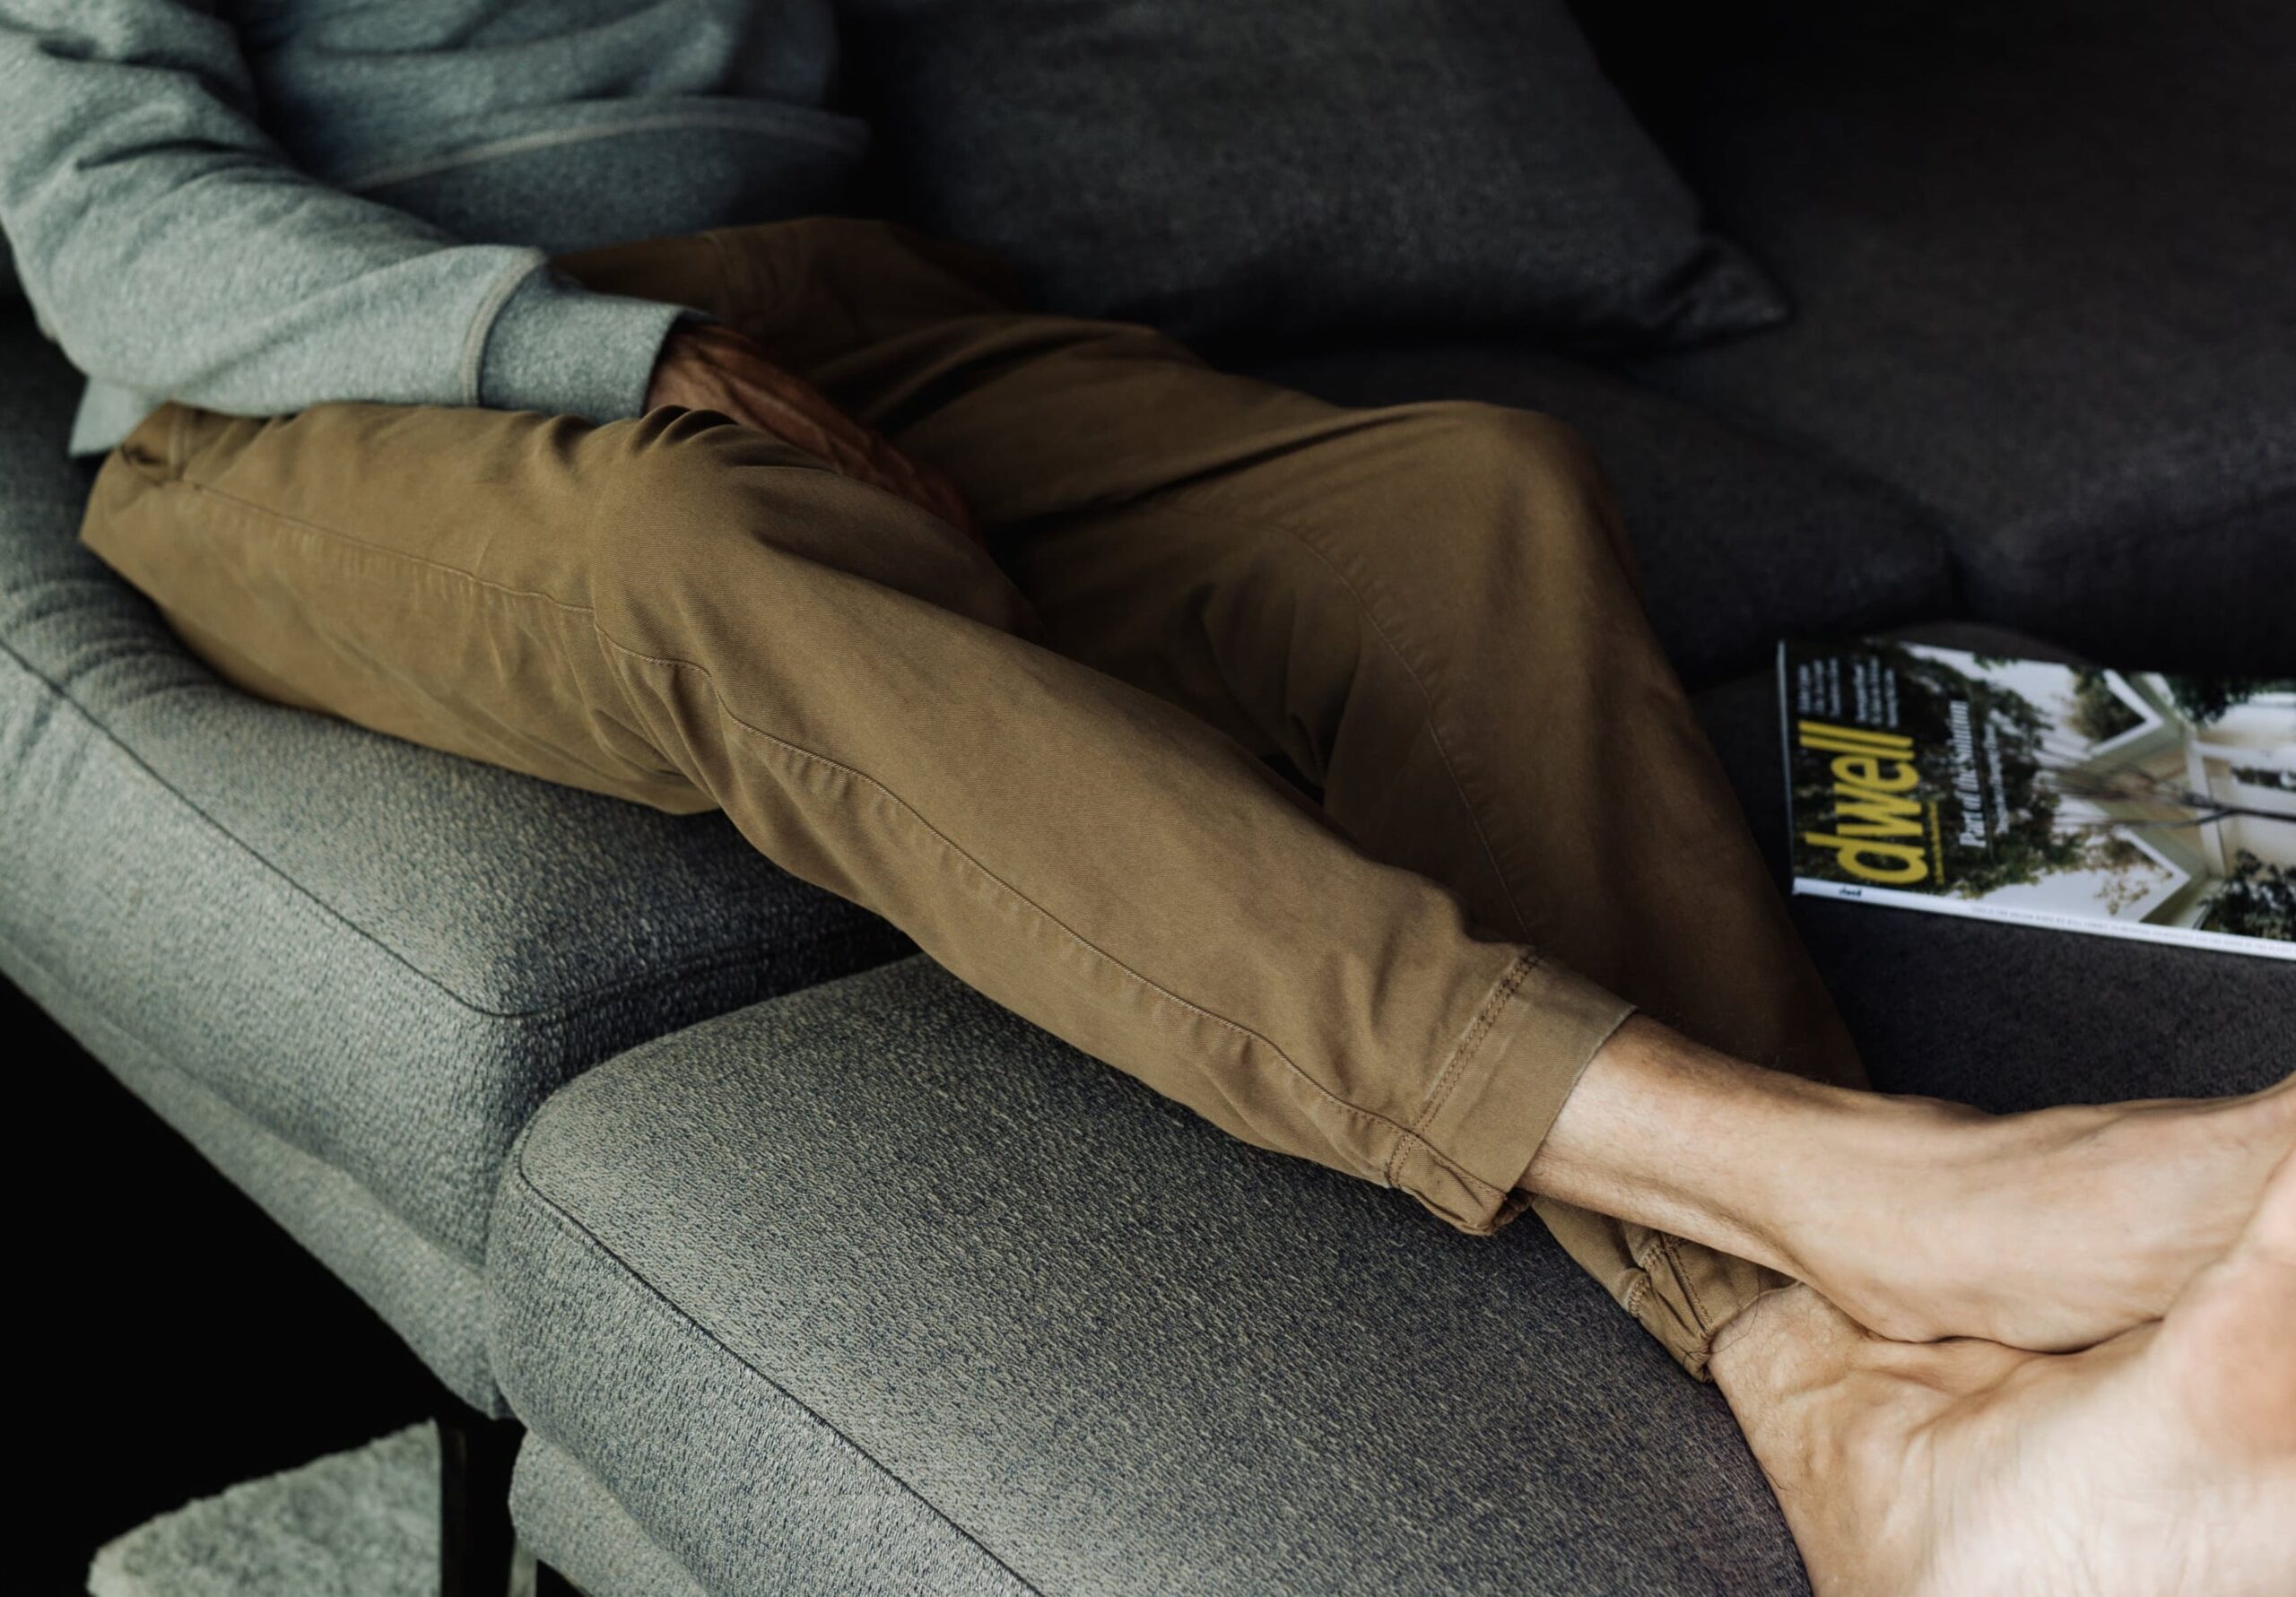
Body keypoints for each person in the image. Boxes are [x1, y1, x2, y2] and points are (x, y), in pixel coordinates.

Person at [4, 4, 2289, 1588]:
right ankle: (1858, 1186)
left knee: (1458, 500)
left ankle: (1851, 1413)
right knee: (702, 552)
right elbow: (104, 208)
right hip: (337, 386)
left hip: (829, 306)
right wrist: (599, 354)